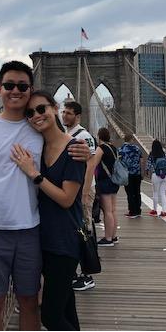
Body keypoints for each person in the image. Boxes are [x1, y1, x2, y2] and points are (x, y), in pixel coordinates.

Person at [0, 61, 90, 331]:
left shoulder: (37, 130)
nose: (15, 91)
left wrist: (85, 150)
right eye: (9, 85)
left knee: (30, 302)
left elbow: (61, 147)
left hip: (32, 231)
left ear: (30, 90)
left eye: (22, 86)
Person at [11, 91, 86, 330]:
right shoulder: (37, 147)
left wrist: (34, 173)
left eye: (41, 109)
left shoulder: (74, 149)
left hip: (64, 242)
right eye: (30, 113)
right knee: (66, 310)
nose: (36, 116)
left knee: (51, 316)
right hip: (41, 239)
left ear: (55, 108)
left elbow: (66, 199)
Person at [61, 100, 97, 292]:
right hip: (73, 190)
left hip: (83, 190)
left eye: (68, 113)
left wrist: (84, 192)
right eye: (63, 112)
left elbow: (91, 164)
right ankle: (76, 272)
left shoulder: (84, 136)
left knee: (85, 231)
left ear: (78, 116)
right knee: (77, 230)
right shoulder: (67, 135)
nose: (64, 115)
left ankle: (87, 274)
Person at [85, 127, 120, 246]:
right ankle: (114, 236)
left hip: (105, 182)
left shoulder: (101, 148)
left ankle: (108, 238)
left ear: (99, 136)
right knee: (113, 210)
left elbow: (93, 163)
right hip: (114, 181)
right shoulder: (114, 148)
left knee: (107, 211)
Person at [119, 134, 143, 218]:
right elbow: (141, 161)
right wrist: (141, 171)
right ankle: (138, 210)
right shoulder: (137, 148)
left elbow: (119, 162)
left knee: (130, 193)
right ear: (131, 139)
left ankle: (132, 211)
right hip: (137, 173)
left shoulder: (121, 149)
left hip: (127, 174)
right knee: (137, 192)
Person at [146, 139, 166, 217]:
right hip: (165, 175)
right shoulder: (165, 154)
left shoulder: (152, 154)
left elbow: (149, 166)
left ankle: (155, 210)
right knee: (163, 193)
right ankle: (164, 211)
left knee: (155, 193)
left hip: (156, 175)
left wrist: (147, 170)